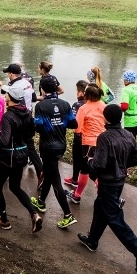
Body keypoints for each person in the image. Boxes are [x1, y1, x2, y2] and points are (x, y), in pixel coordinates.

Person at [78, 105, 137, 273]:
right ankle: (92, 240)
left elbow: (99, 164)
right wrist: (121, 165)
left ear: (106, 119)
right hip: (119, 181)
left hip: (108, 183)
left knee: (114, 217)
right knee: (100, 207)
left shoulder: (104, 137)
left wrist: (89, 161)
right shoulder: (128, 134)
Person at [0, 81, 43, 234]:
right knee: (15, 187)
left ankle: (3, 220)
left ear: (10, 98)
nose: (4, 95)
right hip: (22, 155)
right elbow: (30, 134)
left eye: (6, 94)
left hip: (7, 157)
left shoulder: (8, 116)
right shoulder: (28, 113)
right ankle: (34, 214)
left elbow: (3, 140)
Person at [32, 77, 78, 229]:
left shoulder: (41, 105)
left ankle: (67, 214)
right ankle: (41, 201)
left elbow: (38, 127)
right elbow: (73, 124)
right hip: (61, 145)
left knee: (55, 180)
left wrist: (47, 123)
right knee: (48, 171)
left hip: (48, 146)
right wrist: (59, 122)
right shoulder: (65, 104)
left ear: (42, 89)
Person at [66, 84, 106, 205]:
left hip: (88, 143)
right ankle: (108, 197)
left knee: (85, 170)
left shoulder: (84, 108)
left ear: (86, 95)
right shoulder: (104, 106)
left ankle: (77, 195)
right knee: (98, 170)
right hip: (102, 142)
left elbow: (77, 129)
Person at [64, 80, 89, 188]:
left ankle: (75, 180)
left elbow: (72, 122)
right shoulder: (92, 103)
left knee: (77, 159)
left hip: (79, 137)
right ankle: (76, 179)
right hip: (90, 137)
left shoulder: (77, 105)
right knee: (86, 161)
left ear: (80, 93)